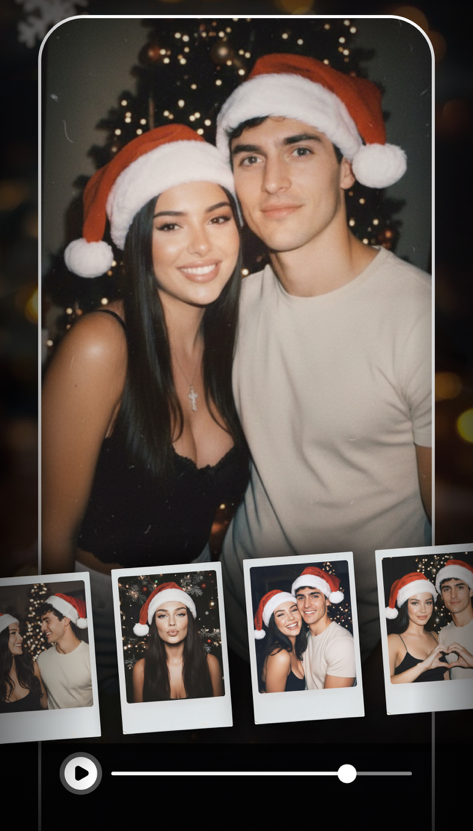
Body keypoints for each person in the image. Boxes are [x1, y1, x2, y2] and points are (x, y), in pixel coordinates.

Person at [216, 53, 432, 660]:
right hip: (240, 619)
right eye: (250, 158)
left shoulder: (419, 318)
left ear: (348, 168)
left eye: (301, 150)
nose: (272, 181)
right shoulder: (228, 311)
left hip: (371, 640)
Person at [41, 124, 249, 689]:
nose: (202, 246)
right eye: (170, 225)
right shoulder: (100, 345)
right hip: (97, 618)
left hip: (193, 603)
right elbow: (48, 539)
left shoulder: (233, 341)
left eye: (218, 218)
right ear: (137, 241)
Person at [131, 582, 223, 701]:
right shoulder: (140, 669)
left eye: (180, 614)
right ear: (154, 624)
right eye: (162, 616)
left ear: (189, 620)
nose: (172, 622)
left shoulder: (210, 664)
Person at [291, 567, 355, 690]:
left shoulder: (341, 643)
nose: (307, 605)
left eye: (314, 596)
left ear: (328, 601)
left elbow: (334, 700)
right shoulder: (305, 637)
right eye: (301, 597)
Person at [386, 573, 447, 683]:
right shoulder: (393, 641)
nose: (423, 610)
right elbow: (386, 684)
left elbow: (445, 676)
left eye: (428, 602)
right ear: (405, 605)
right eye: (415, 603)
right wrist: (423, 666)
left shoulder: (435, 636)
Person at [36, 593, 93, 708]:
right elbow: (44, 702)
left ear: (66, 620)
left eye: (47, 621)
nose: (42, 628)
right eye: (42, 622)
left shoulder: (91, 656)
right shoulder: (41, 659)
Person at [254, 589, 306, 692]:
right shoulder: (280, 656)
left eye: (293, 610)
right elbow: (274, 701)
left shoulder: (298, 648)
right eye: (281, 614)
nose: (291, 617)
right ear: (273, 623)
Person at [0, 612, 47, 712]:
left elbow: (45, 705)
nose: (21, 638)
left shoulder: (32, 668)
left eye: (19, 632)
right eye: (13, 633)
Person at [436, 559, 473, 679]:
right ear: (442, 596)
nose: (453, 595)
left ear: (471, 591)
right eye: (446, 589)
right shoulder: (443, 633)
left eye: (460, 587)